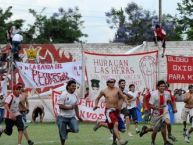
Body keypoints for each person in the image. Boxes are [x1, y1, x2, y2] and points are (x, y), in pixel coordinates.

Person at [93, 78, 129, 145]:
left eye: (113, 82)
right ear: (107, 83)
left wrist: (127, 102)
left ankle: (101, 124)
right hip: (109, 111)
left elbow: (123, 96)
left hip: (116, 110)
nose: (113, 83)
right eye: (111, 82)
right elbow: (97, 98)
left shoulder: (117, 89)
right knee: (115, 124)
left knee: (121, 129)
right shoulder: (104, 91)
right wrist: (95, 105)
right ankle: (120, 141)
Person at [141, 80, 173, 145]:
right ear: (158, 87)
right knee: (155, 130)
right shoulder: (153, 94)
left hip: (164, 112)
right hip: (156, 113)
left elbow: (170, 100)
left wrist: (172, 107)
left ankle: (167, 139)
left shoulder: (168, 93)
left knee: (167, 123)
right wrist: (149, 108)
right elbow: (150, 104)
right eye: (161, 86)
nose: (163, 87)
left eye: (164, 86)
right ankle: (152, 141)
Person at [57, 80, 82, 145]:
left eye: (75, 86)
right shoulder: (63, 94)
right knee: (63, 135)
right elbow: (60, 106)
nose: (74, 88)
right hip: (62, 117)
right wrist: (70, 107)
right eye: (72, 86)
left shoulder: (75, 95)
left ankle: (67, 131)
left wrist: (78, 116)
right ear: (68, 87)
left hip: (71, 117)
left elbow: (76, 106)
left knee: (76, 130)